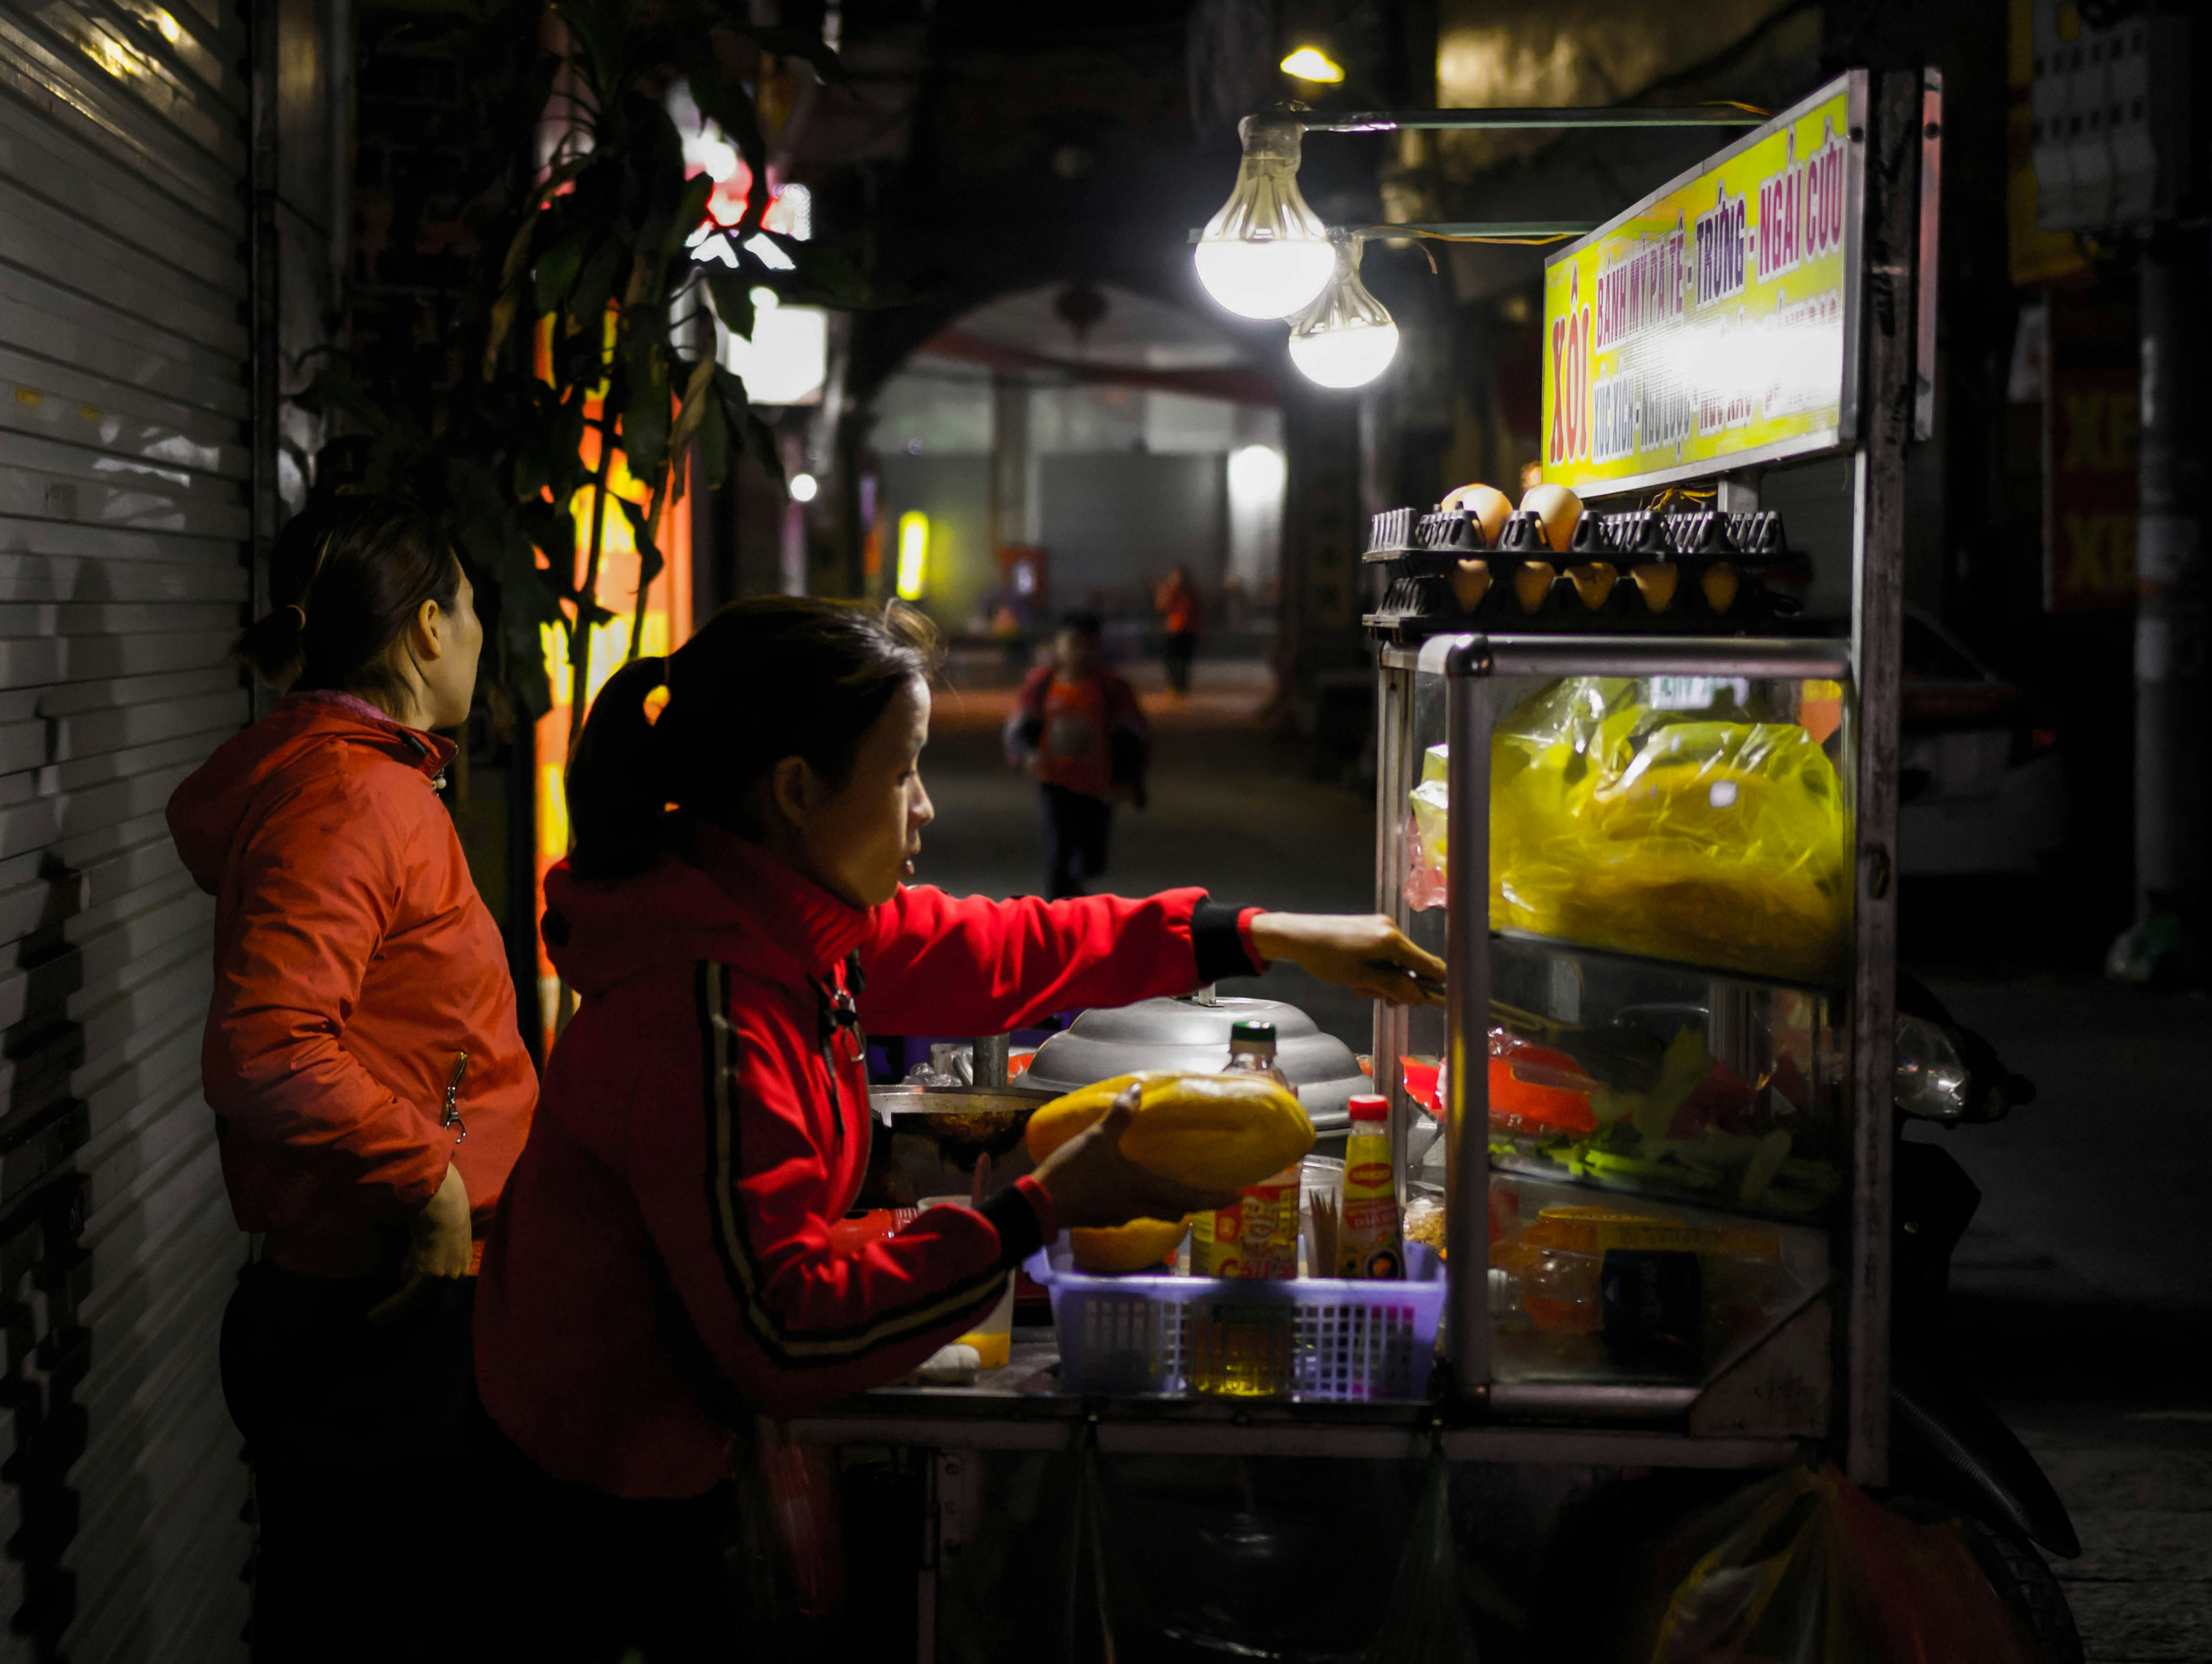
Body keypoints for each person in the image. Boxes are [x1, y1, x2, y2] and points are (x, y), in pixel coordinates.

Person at [471, 596, 1444, 1659]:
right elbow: (784, 1329)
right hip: (619, 1517)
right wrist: (1039, 1207)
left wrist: (1257, 934)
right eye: (902, 773)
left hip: (701, 1460)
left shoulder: (792, 927)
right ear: (795, 790)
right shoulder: (704, 1011)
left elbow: (1013, 950)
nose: (926, 807)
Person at [166, 496, 535, 1662]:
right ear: (428, 628)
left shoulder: (360, 782)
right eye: (473, 611)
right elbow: (265, 1046)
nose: (483, 636)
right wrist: (428, 1173)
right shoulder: (352, 797)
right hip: (377, 1322)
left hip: (376, 1308)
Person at [1010, 611, 1147, 899]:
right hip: (1054, 783)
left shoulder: (1112, 690)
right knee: (1058, 852)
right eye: (1074, 643)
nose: (1081, 652)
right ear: (1058, 645)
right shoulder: (1042, 686)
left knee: (1091, 858)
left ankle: (1074, 892)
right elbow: (1020, 728)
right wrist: (1027, 754)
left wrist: (1130, 781)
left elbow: (1133, 736)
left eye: (1090, 645)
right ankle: (1056, 916)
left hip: (1098, 786)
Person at [1155, 563, 1205, 697]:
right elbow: (1161, 607)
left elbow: (1197, 612)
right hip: (1176, 630)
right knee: (1173, 660)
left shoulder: (1190, 593)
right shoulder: (1175, 591)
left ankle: (1180, 687)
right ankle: (1176, 686)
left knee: (1183, 661)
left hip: (1186, 631)